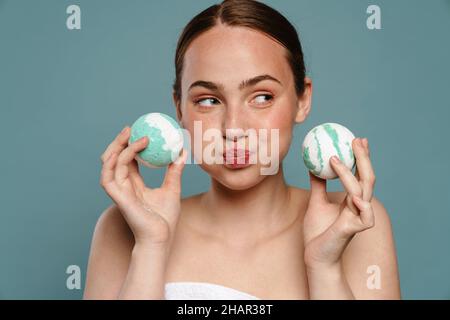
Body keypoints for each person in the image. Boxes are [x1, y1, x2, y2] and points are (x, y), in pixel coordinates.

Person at [84, 0, 401, 299]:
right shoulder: (124, 226)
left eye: (262, 96)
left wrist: (324, 267)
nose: (233, 128)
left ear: (302, 99)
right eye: (208, 100)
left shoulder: (353, 222)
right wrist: (150, 245)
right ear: (178, 108)